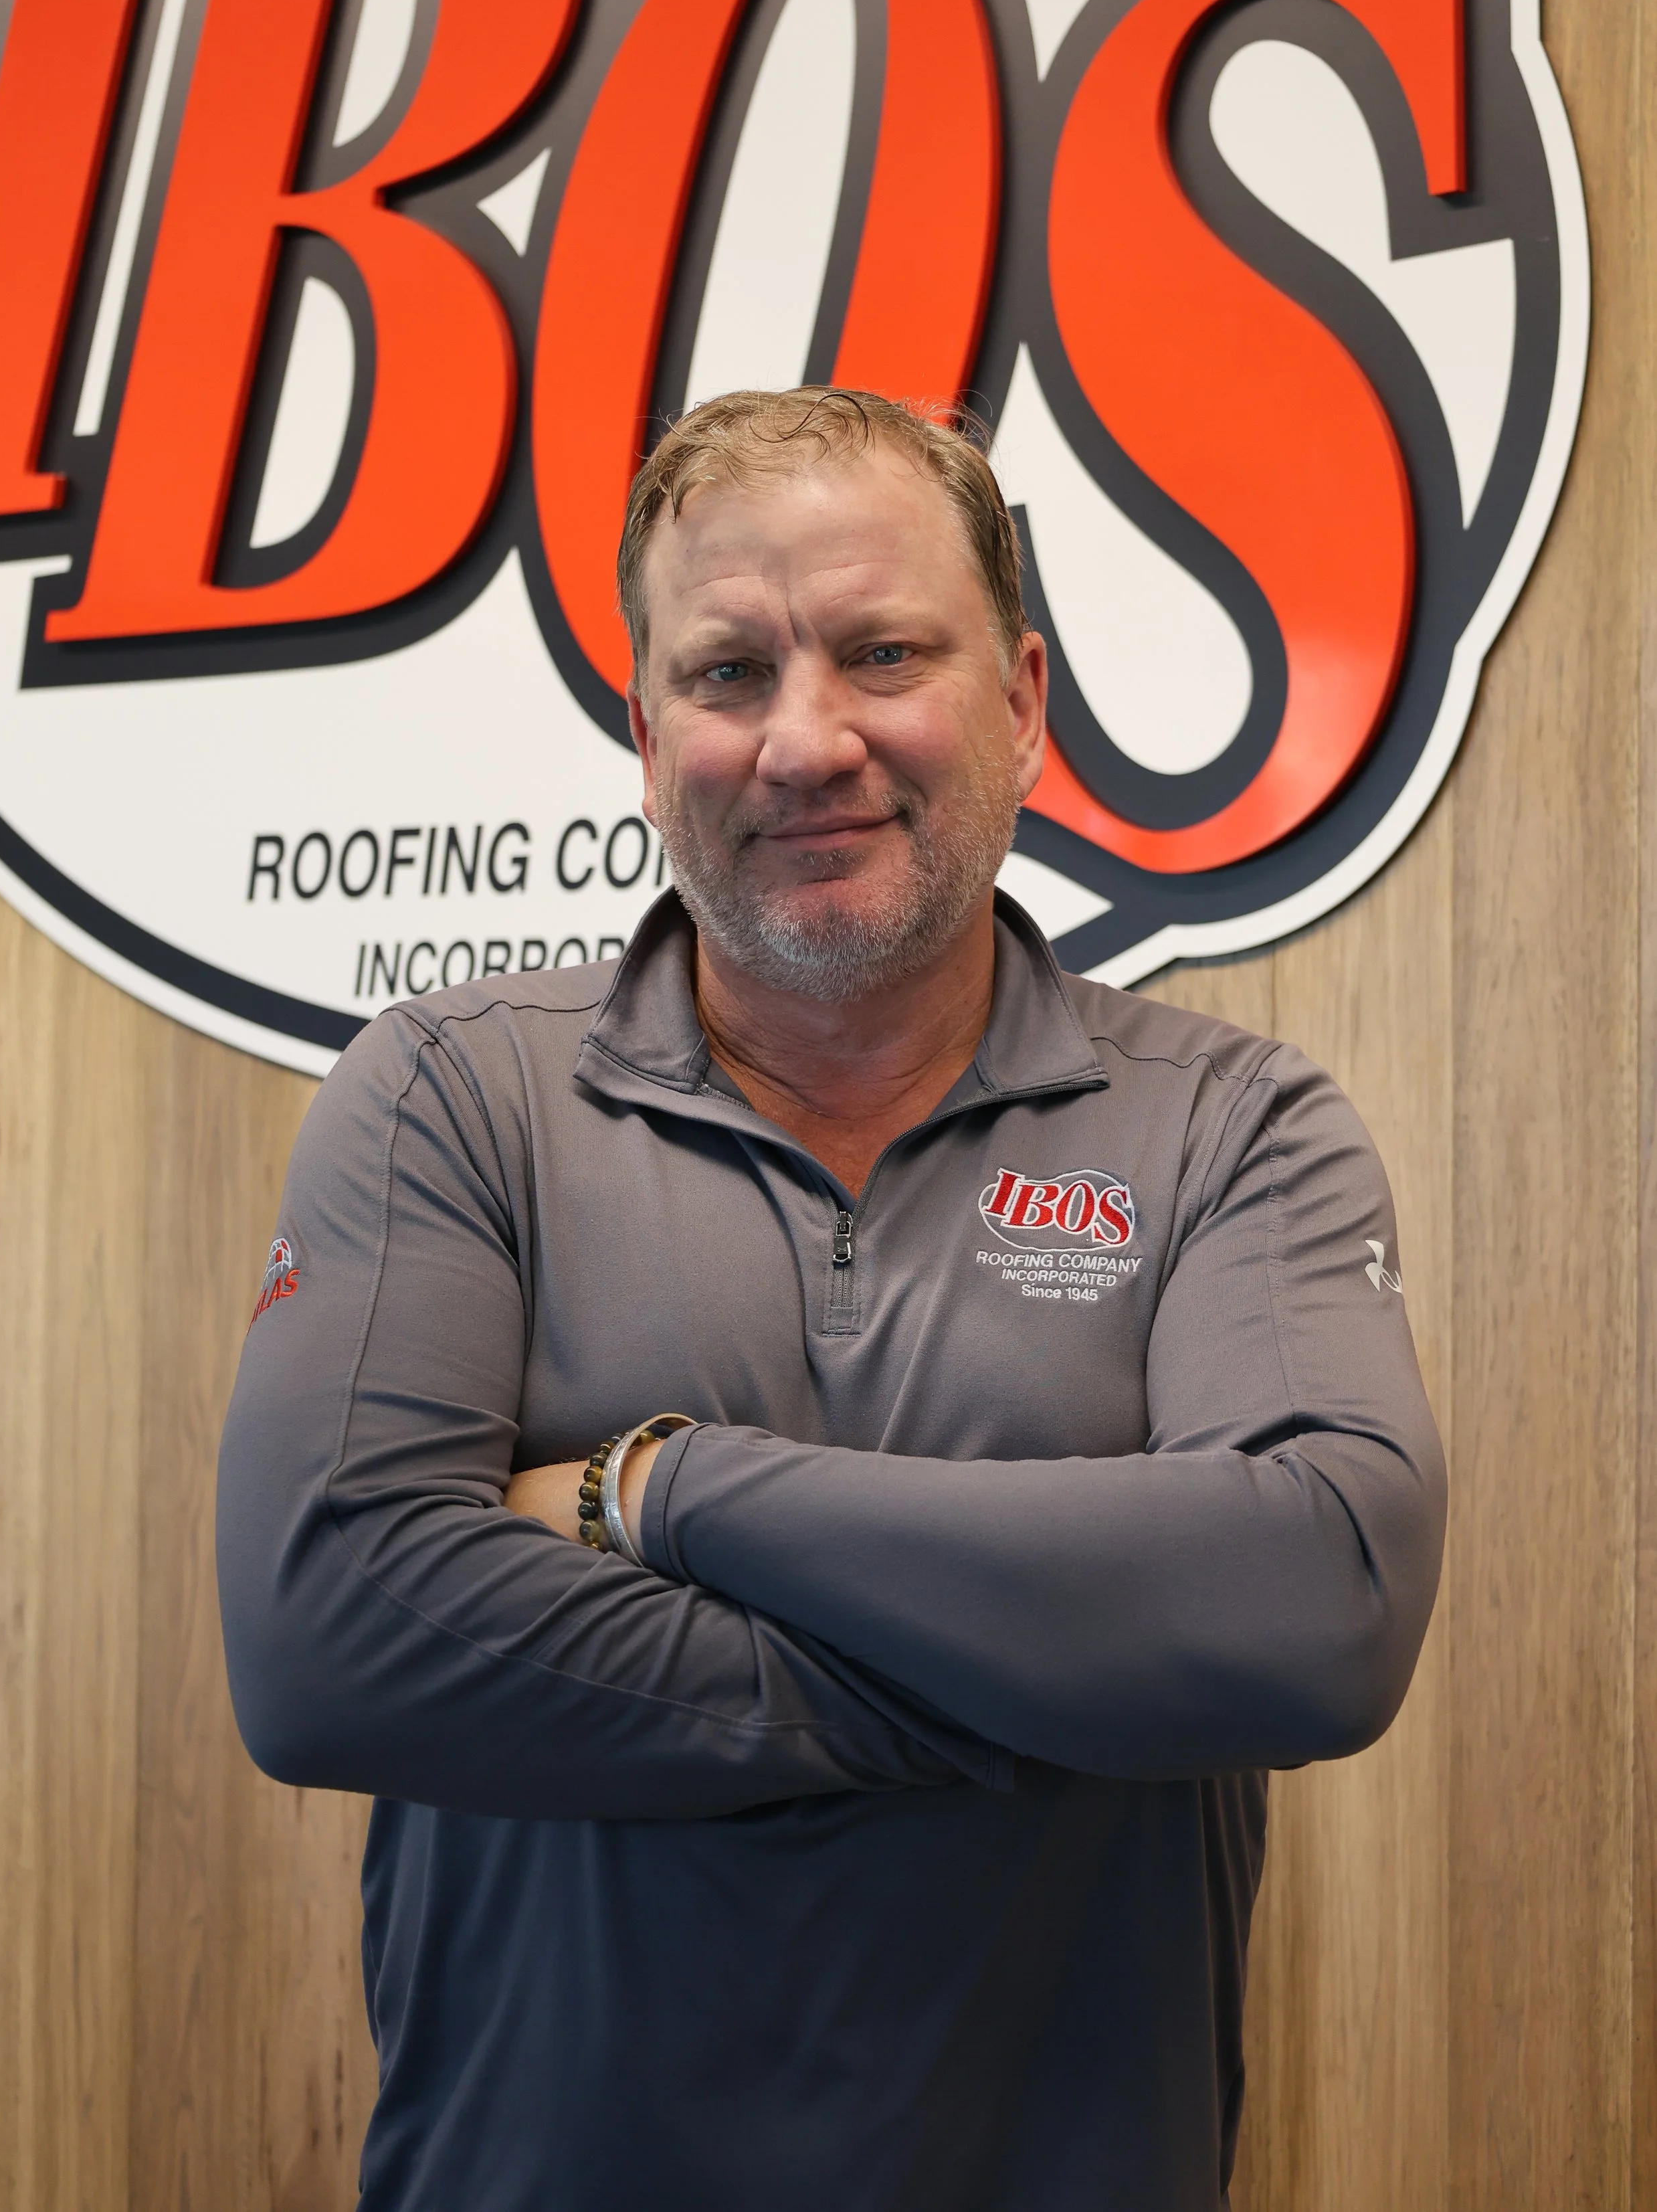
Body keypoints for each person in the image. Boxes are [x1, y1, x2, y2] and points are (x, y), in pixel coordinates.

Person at [217, 385, 1446, 2212]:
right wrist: (1046, 1687)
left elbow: (1318, 1597)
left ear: (1023, 700)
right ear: (645, 735)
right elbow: (328, 1637)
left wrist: (660, 1488)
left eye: (882, 651)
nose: (804, 739)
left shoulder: (1227, 1127)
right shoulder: (455, 1093)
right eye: (726, 675)